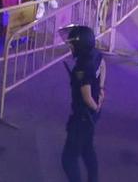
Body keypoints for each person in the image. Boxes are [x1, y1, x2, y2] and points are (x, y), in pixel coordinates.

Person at [61, 24, 103, 182]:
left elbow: (85, 95)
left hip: (82, 116)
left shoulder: (81, 67)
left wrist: (94, 106)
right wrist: (101, 90)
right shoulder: (95, 54)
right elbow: (103, 66)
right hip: (91, 116)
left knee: (68, 159)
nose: (70, 47)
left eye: (72, 45)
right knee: (87, 148)